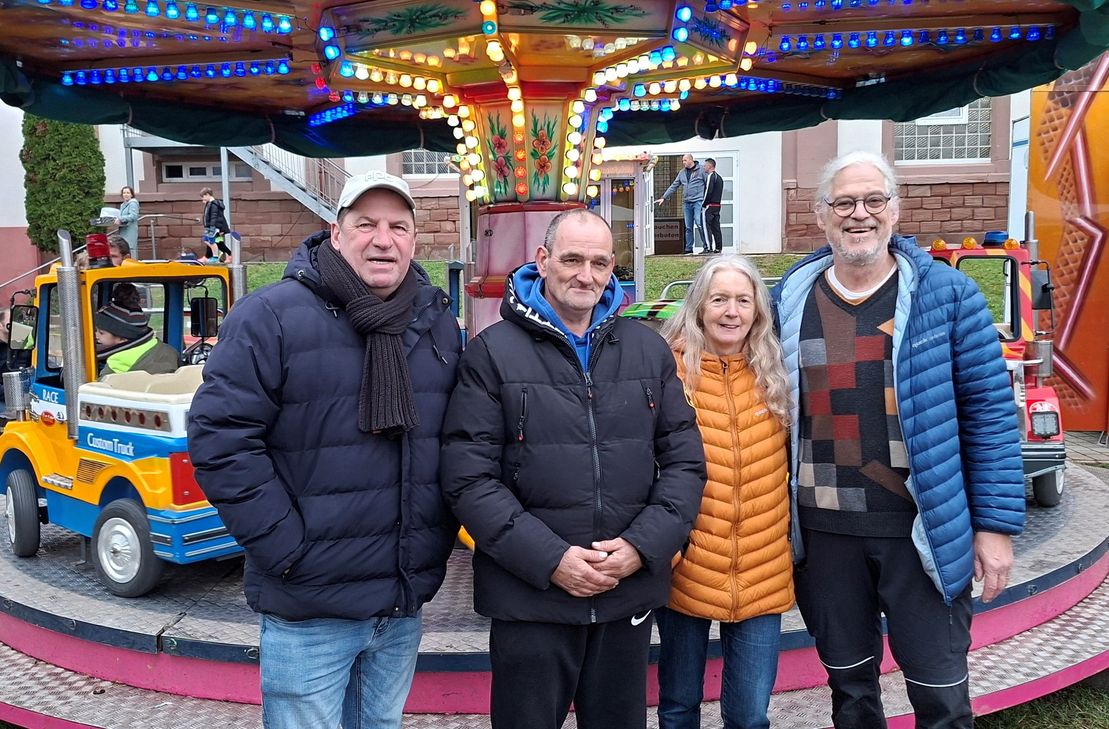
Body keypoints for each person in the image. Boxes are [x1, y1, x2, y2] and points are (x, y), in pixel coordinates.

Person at [188, 171, 461, 729]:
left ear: (414, 239)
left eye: (398, 227)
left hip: (399, 600)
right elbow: (221, 438)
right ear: (335, 234)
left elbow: (453, 440)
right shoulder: (270, 316)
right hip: (309, 603)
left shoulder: (435, 322)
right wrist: (286, 547)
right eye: (366, 224)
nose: (383, 240)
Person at [772, 151, 1024, 728]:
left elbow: (990, 414)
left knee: (940, 695)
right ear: (820, 215)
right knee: (850, 692)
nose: (859, 214)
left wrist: (994, 527)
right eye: (843, 203)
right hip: (825, 533)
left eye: (873, 200)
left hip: (921, 532)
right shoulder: (789, 299)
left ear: (894, 209)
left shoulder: (948, 296)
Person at [440, 208, 706, 729]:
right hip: (530, 597)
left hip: (623, 592)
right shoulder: (492, 353)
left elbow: (685, 463)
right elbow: (469, 479)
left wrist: (641, 548)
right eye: (572, 260)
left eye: (600, 263)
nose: (586, 275)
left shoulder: (647, 350)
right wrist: (551, 559)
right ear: (542, 260)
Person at [656, 255, 793, 729]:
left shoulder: (777, 370)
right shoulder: (668, 372)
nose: (731, 311)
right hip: (687, 567)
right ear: (699, 306)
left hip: (761, 568)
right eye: (719, 300)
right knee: (678, 707)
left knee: (750, 716)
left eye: (743, 300)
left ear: (758, 309)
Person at [94, 303, 179, 377]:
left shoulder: (117, 361)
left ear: (122, 338)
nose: (96, 335)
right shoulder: (169, 350)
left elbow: (100, 386)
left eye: (101, 333)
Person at [656, 154, 707, 254]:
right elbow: (674, 186)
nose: (683, 162)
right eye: (683, 161)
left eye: (685, 160)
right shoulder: (682, 172)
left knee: (699, 223)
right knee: (688, 227)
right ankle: (689, 248)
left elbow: (708, 184)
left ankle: (706, 246)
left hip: (698, 201)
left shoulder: (701, 170)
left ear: (691, 160)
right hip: (686, 202)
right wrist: (663, 197)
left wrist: (708, 199)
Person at [200, 187, 233, 263]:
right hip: (216, 227)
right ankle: (229, 255)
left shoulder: (214, 204)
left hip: (216, 227)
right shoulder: (210, 204)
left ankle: (213, 257)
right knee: (218, 242)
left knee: (212, 241)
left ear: (207, 194)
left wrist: (212, 227)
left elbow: (214, 216)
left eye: (203, 196)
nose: (202, 199)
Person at [701, 159, 724, 255]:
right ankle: (718, 248)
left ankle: (708, 248)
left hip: (709, 207)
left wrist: (703, 204)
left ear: (709, 166)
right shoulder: (719, 178)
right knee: (716, 227)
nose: (704, 167)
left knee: (706, 227)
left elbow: (708, 192)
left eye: (705, 165)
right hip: (717, 206)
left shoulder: (711, 176)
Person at [116, 186, 139, 250]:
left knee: (129, 249)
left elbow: (133, 216)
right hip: (123, 230)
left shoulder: (133, 203)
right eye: (124, 193)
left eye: (128, 193)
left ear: (131, 195)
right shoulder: (122, 205)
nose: (126, 194)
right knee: (123, 249)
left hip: (130, 230)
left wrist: (120, 219)